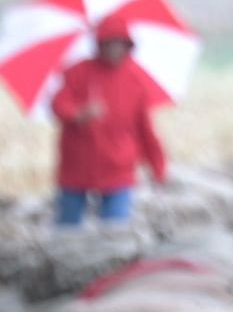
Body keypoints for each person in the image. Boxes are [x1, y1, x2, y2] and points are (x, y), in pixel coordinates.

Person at [49, 27, 165, 229]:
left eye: (119, 44)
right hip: (77, 165)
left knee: (116, 232)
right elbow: (58, 105)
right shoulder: (77, 72)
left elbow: (145, 129)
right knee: (67, 230)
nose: (114, 49)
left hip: (118, 168)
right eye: (109, 43)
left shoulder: (135, 80)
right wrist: (79, 114)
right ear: (99, 44)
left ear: (128, 46)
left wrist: (157, 166)